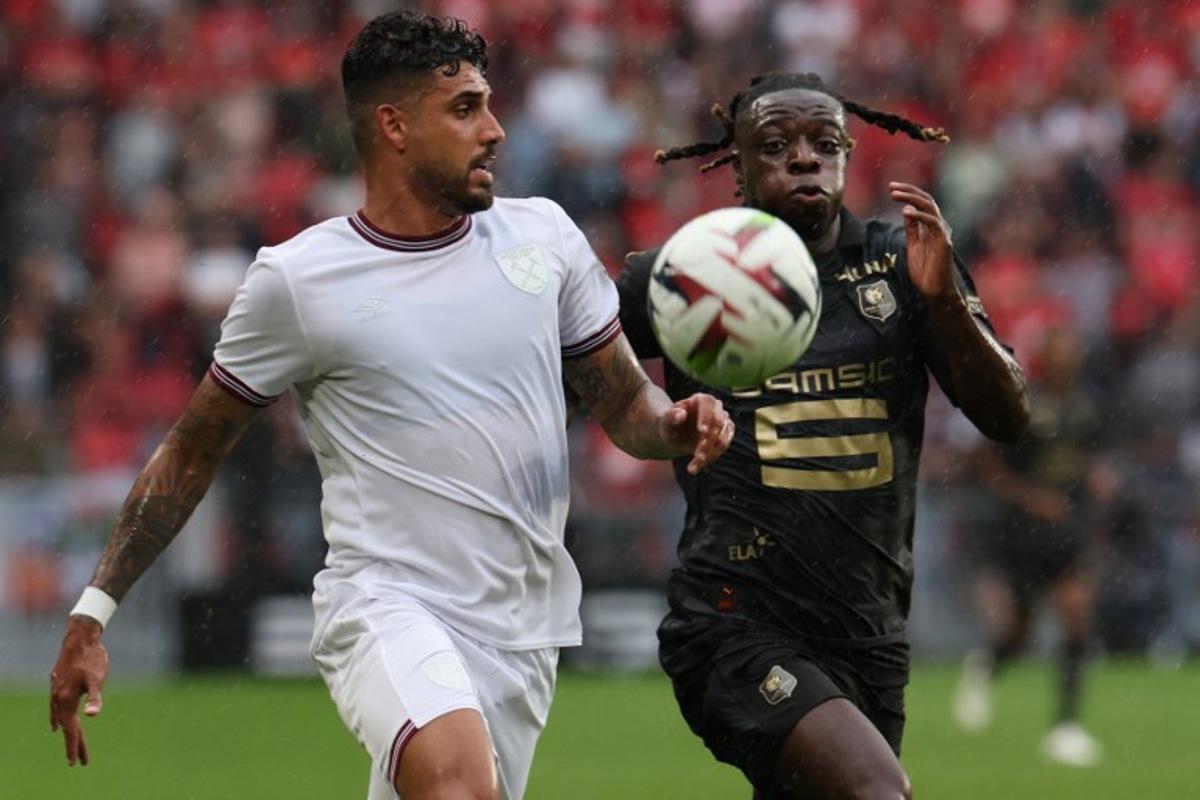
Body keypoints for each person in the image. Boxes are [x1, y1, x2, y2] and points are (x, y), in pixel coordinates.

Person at [47, 11, 734, 800]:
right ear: (394, 125)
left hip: (523, 627)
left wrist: (673, 424)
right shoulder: (299, 281)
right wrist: (93, 611)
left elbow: (625, 406)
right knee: (458, 789)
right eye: (466, 108)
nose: (497, 131)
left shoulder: (544, 237)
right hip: (384, 605)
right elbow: (192, 450)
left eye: (490, 104)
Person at [617, 72, 1031, 799]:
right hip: (734, 622)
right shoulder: (685, 276)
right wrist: (658, 413)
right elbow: (571, 368)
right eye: (776, 146)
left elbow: (1008, 417)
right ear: (739, 170)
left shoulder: (903, 265)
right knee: (877, 792)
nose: (805, 159)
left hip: (867, 631)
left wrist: (944, 304)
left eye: (825, 143)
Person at [954, 325, 1104, 767]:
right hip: (1024, 533)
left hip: (1068, 530)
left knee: (1077, 617)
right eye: (1059, 349)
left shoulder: (1084, 407)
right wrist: (1033, 498)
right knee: (1022, 632)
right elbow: (988, 466)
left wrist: (1097, 477)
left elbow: (1086, 456)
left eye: (1072, 349)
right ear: (1046, 358)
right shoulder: (1025, 404)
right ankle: (987, 665)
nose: (1067, 357)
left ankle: (1066, 727)